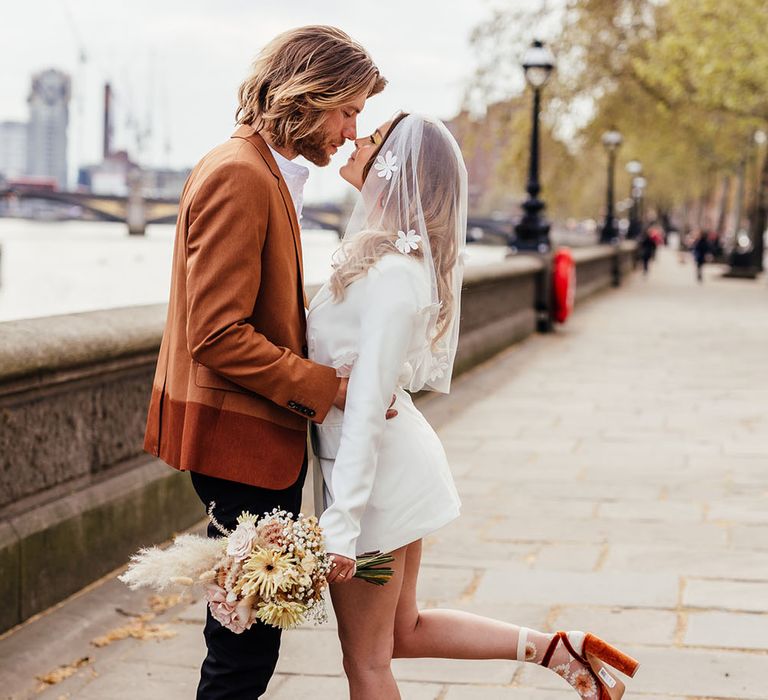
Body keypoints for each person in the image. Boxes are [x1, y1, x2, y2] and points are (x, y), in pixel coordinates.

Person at [308, 113, 640, 699]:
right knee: (399, 633)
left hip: (375, 479)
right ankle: (553, 650)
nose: (358, 138)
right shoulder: (383, 261)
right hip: (386, 466)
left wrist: (342, 523)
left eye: (375, 136)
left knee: (367, 662)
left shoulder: (391, 274)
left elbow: (364, 408)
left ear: (398, 167)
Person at [142, 26, 388, 699]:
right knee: (242, 653)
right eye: (349, 109)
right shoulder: (240, 175)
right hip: (240, 448)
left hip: (250, 444)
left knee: (245, 640)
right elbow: (217, 334)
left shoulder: (259, 169)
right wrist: (329, 387)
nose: (351, 128)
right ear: (315, 94)